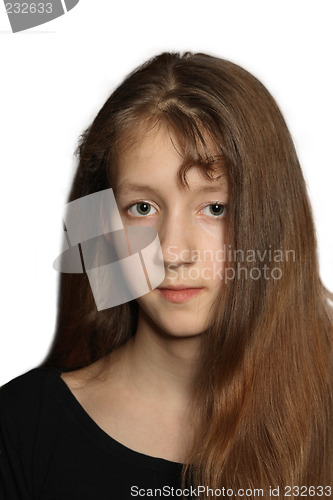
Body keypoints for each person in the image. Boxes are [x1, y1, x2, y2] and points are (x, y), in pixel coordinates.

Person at [0, 52, 332, 499]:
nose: (173, 253)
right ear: (103, 226)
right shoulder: (20, 427)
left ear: (273, 219)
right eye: (143, 208)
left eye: (215, 208)